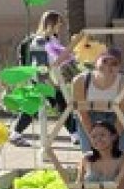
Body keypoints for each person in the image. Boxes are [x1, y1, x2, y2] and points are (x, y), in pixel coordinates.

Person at [9, 10, 78, 147]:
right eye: (59, 22)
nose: (61, 25)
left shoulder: (52, 39)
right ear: (50, 23)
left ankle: (15, 134)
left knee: (50, 106)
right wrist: (49, 81)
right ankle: (75, 135)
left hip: (48, 79)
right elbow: (40, 63)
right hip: (44, 80)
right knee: (59, 106)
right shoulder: (40, 40)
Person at [72, 47, 124, 154]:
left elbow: (123, 114)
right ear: (96, 62)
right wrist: (93, 137)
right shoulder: (81, 80)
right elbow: (81, 111)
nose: (108, 66)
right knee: (90, 155)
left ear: (119, 67)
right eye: (104, 61)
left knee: (118, 155)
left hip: (116, 118)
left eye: (114, 63)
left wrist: (111, 139)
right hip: (88, 118)